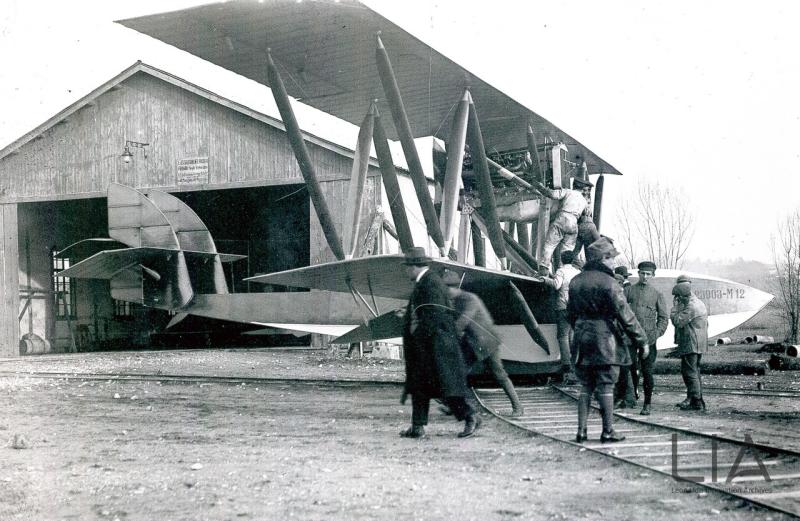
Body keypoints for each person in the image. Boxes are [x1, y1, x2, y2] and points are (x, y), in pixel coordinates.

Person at [568, 237, 648, 443]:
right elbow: (625, 315)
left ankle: (581, 432)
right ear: (604, 258)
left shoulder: (576, 281)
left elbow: (570, 314)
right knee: (606, 385)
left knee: (585, 386)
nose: (614, 263)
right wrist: (641, 340)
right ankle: (607, 431)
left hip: (581, 338)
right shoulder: (610, 283)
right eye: (612, 258)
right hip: (605, 340)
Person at [400, 247, 480, 439]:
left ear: (414, 267)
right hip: (430, 343)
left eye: (407, 267)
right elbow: (427, 311)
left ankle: (471, 417)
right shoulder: (428, 281)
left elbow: (435, 316)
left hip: (436, 345)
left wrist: (418, 333)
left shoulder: (430, 283)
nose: (405, 271)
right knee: (422, 386)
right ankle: (417, 427)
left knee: (445, 386)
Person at [442, 270, 524, 417]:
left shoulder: (469, 299)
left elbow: (463, 321)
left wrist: (451, 333)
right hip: (473, 342)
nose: (445, 293)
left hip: (487, 342)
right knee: (459, 372)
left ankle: (518, 407)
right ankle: (454, 405)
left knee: (499, 374)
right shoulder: (455, 301)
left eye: (447, 290)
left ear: (455, 287)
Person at [626, 260, 669, 416]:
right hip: (630, 339)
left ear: (653, 276)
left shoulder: (657, 294)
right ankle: (630, 397)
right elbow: (620, 314)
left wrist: (656, 334)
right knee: (629, 368)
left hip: (648, 340)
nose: (645, 276)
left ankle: (647, 403)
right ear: (638, 274)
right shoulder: (629, 291)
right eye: (642, 273)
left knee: (647, 372)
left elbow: (664, 318)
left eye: (648, 274)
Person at [531, 177, 593, 270]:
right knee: (567, 250)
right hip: (574, 224)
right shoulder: (584, 201)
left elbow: (552, 194)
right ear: (582, 188)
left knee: (550, 245)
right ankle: (563, 271)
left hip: (563, 218)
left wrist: (540, 187)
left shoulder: (568, 192)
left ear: (574, 185)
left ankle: (544, 268)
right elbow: (585, 216)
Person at [542, 250, 581, 378]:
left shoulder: (561, 271)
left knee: (562, 336)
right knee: (572, 335)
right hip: (576, 307)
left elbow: (557, 285)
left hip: (563, 307)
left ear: (562, 260)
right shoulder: (578, 272)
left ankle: (566, 364)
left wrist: (545, 279)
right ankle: (575, 363)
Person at [671, 282, 708, 411]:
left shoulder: (691, 306)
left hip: (691, 342)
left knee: (689, 372)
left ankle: (696, 402)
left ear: (682, 296)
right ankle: (697, 400)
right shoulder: (699, 302)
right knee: (695, 371)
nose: (676, 299)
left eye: (677, 297)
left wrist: (675, 308)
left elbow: (678, 321)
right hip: (699, 343)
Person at [613, 268, 638, 410]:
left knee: (622, 370)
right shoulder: (620, 296)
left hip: (622, 338)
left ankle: (627, 399)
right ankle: (625, 398)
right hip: (621, 337)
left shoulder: (620, 298)